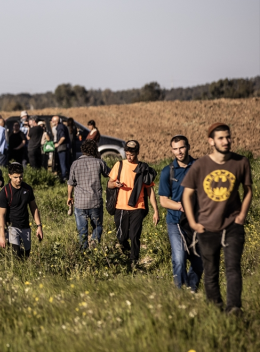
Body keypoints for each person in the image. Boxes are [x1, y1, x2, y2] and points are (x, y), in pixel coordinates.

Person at [182, 123, 253, 314]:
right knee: (211, 272)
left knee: (233, 268)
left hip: (233, 225)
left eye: (228, 137)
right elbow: (186, 195)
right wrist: (193, 222)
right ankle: (216, 309)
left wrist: (242, 216)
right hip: (206, 227)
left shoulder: (241, 162)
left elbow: (248, 191)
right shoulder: (200, 165)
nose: (226, 141)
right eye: (221, 138)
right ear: (211, 141)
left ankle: (234, 309)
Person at [159, 135, 203, 292]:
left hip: (198, 221)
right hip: (176, 221)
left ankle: (191, 290)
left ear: (188, 147)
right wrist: (181, 206)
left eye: (182, 148)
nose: (179, 152)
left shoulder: (200, 166)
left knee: (199, 261)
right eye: (175, 149)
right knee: (179, 258)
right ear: (172, 150)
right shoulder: (168, 171)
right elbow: (164, 201)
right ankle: (180, 294)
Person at [108, 140, 159, 268]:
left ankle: (133, 263)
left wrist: (155, 210)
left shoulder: (143, 168)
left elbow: (150, 190)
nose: (129, 157)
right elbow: (109, 183)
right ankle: (126, 257)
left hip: (138, 206)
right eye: (127, 153)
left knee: (134, 236)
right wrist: (115, 184)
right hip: (120, 206)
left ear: (137, 153)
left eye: (132, 154)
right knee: (121, 237)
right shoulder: (119, 165)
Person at [67, 140, 110, 250]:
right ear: (95, 150)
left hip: (80, 203)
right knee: (97, 226)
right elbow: (110, 174)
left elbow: (71, 183)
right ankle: (95, 245)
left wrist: (69, 197)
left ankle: (83, 251)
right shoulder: (99, 162)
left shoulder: (75, 164)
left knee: (82, 229)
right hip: (95, 202)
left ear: (82, 150)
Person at [0, 163, 44, 259]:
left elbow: (34, 208)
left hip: (26, 226)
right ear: (9, 176)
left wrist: (39, 226)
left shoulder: (27, 189)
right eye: (15, 177)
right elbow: (1, 215)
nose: (19, 179)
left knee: (26, 255)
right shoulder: (5, 192)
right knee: (16, 255)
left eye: (21, 176)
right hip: (12, 227)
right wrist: (2, 236)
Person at [51, 116, 70, 181]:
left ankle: (64, 177)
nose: (51, 122)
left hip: (62, 148)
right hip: (66, 147)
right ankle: (69, 176)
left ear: (56, 121)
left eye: (53, 121)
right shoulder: (63, 126)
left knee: (63, 163)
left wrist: (57, 144)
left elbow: (63, 137)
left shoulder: (60, 127)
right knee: (66, 163)